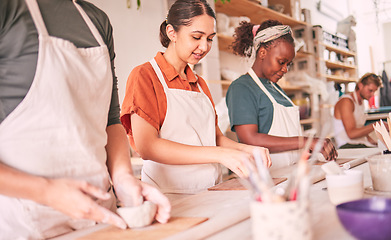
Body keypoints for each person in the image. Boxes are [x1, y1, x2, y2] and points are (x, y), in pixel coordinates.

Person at [0, 0, 170, 239]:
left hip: (101, 217)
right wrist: (48, 192)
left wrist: (122, 178)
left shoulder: (97, 21)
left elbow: (111, 119)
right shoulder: (9, 9)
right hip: (27, 220)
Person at [120, 0, 271, 196]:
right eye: (196, 37)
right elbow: (147, 147)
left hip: (211, 191)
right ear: (171, 32)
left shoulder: (200, 84)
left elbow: (215, 138)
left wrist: (248, 150)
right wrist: (221, 155)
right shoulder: (145, 76)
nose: (204, 46)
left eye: (209, 39)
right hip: (169, 196)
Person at [226, 20, 338, 170]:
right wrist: (306, 141)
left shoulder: (276, 89)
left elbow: (288, 136)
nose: (285, 69)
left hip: (292, 173)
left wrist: (310, 149)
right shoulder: (241, 88)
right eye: (281, 62)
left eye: (288, 64)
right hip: (268, 178)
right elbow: (250, 139)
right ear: (262, 53)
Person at [333, 73, 383, 149]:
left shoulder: (361, 102)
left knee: (383, 149)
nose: (372, 94)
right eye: (370, 90)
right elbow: (352, 134)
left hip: (359, 143)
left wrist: (377, 144)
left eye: (374, 91)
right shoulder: (346, 102)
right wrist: (377, 125)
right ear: (360, 86)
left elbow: (361, 129)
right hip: (347, 145)